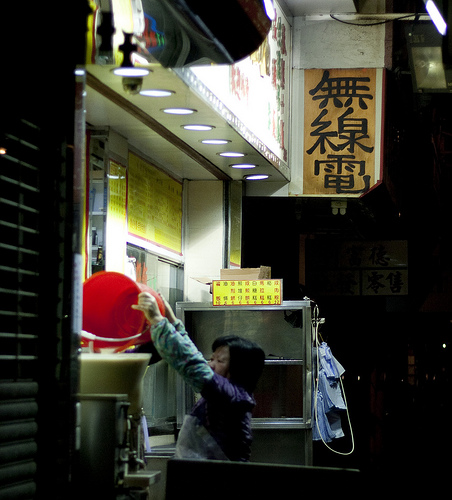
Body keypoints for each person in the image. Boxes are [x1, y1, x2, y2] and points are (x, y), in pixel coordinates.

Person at [132, 292, 265, 462]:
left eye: (220, 361)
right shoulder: (227, 391)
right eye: (212, 358)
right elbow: (193, 355)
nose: (210, 364)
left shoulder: (234, 396)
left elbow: (193, 365)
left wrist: (158, 320)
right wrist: (171, 319)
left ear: (239, 370)